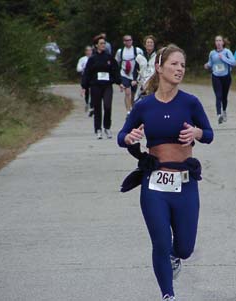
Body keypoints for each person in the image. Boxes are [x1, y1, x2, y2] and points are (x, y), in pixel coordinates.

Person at [117, 44, 213, 300]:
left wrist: (197, 133)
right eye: (174, 64)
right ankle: (167, 295)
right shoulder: (144, 106)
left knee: (184, 248)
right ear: (159, 67)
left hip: (185, 183)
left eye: (182, 65)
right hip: (154, 183)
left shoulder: (191, 103)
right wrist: (130, 137)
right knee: (160, 242)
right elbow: (121, 136)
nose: (179, 69)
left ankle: (175, 257)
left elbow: (209, 134)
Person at [81, 35, 124, 139]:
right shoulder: (92, 59)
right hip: (95, 86)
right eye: (101, 43)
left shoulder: (109, 58)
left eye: (104, 43)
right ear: (96, 45)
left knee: (107, 106)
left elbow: (115, 71)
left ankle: (107, 127)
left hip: (107, 85)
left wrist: (120, 82)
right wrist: (84, 86)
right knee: (97, 108)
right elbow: (87, 73)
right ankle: (98, 129)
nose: (103, 45)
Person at [204, 35, 236, 124]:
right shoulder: (212, 53)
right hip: (216, 76)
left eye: (220, 40)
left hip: (226, 76)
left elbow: (233, 63)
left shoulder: (227, 52)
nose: (218, 42)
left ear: (223, 42)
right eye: (216, 41)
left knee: (224, 96)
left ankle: (224, 111)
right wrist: (207, 65)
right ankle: (219, 115)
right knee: (218, 96)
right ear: (215, 43)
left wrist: (224, 58)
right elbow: (211, 63)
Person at [115, 35, 144, 116]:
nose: (129, 42)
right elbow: (116, 62)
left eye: (130, 40)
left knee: (133, 93)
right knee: (127, 92)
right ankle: (128, 111)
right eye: (127, 40)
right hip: (124, 74)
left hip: (134, 75)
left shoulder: (137, 50)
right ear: (124, 42)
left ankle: (133, 108)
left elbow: (142, 62)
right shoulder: (120, 51)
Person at [134, 35, 157, 101]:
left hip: (153, 82)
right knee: (139, 101)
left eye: (151, 42)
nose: (149, 44)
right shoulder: (139, 57)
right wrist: (134, 79)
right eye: (148, 42)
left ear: (154, 44)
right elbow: (135, 69)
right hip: (142, 83)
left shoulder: (157, 56)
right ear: (145, 45)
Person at [76, 46, 93, 112]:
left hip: (93, 76)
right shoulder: (82, 59)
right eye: (87, 51)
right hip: (85, 76)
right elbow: (78, 69)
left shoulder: (94, 58)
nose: (89, 52)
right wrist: (83, 68)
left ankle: (92, 104)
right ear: (85, 52)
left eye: (90, 50)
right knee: (86, 90)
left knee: (93, 90)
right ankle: (87, 102)